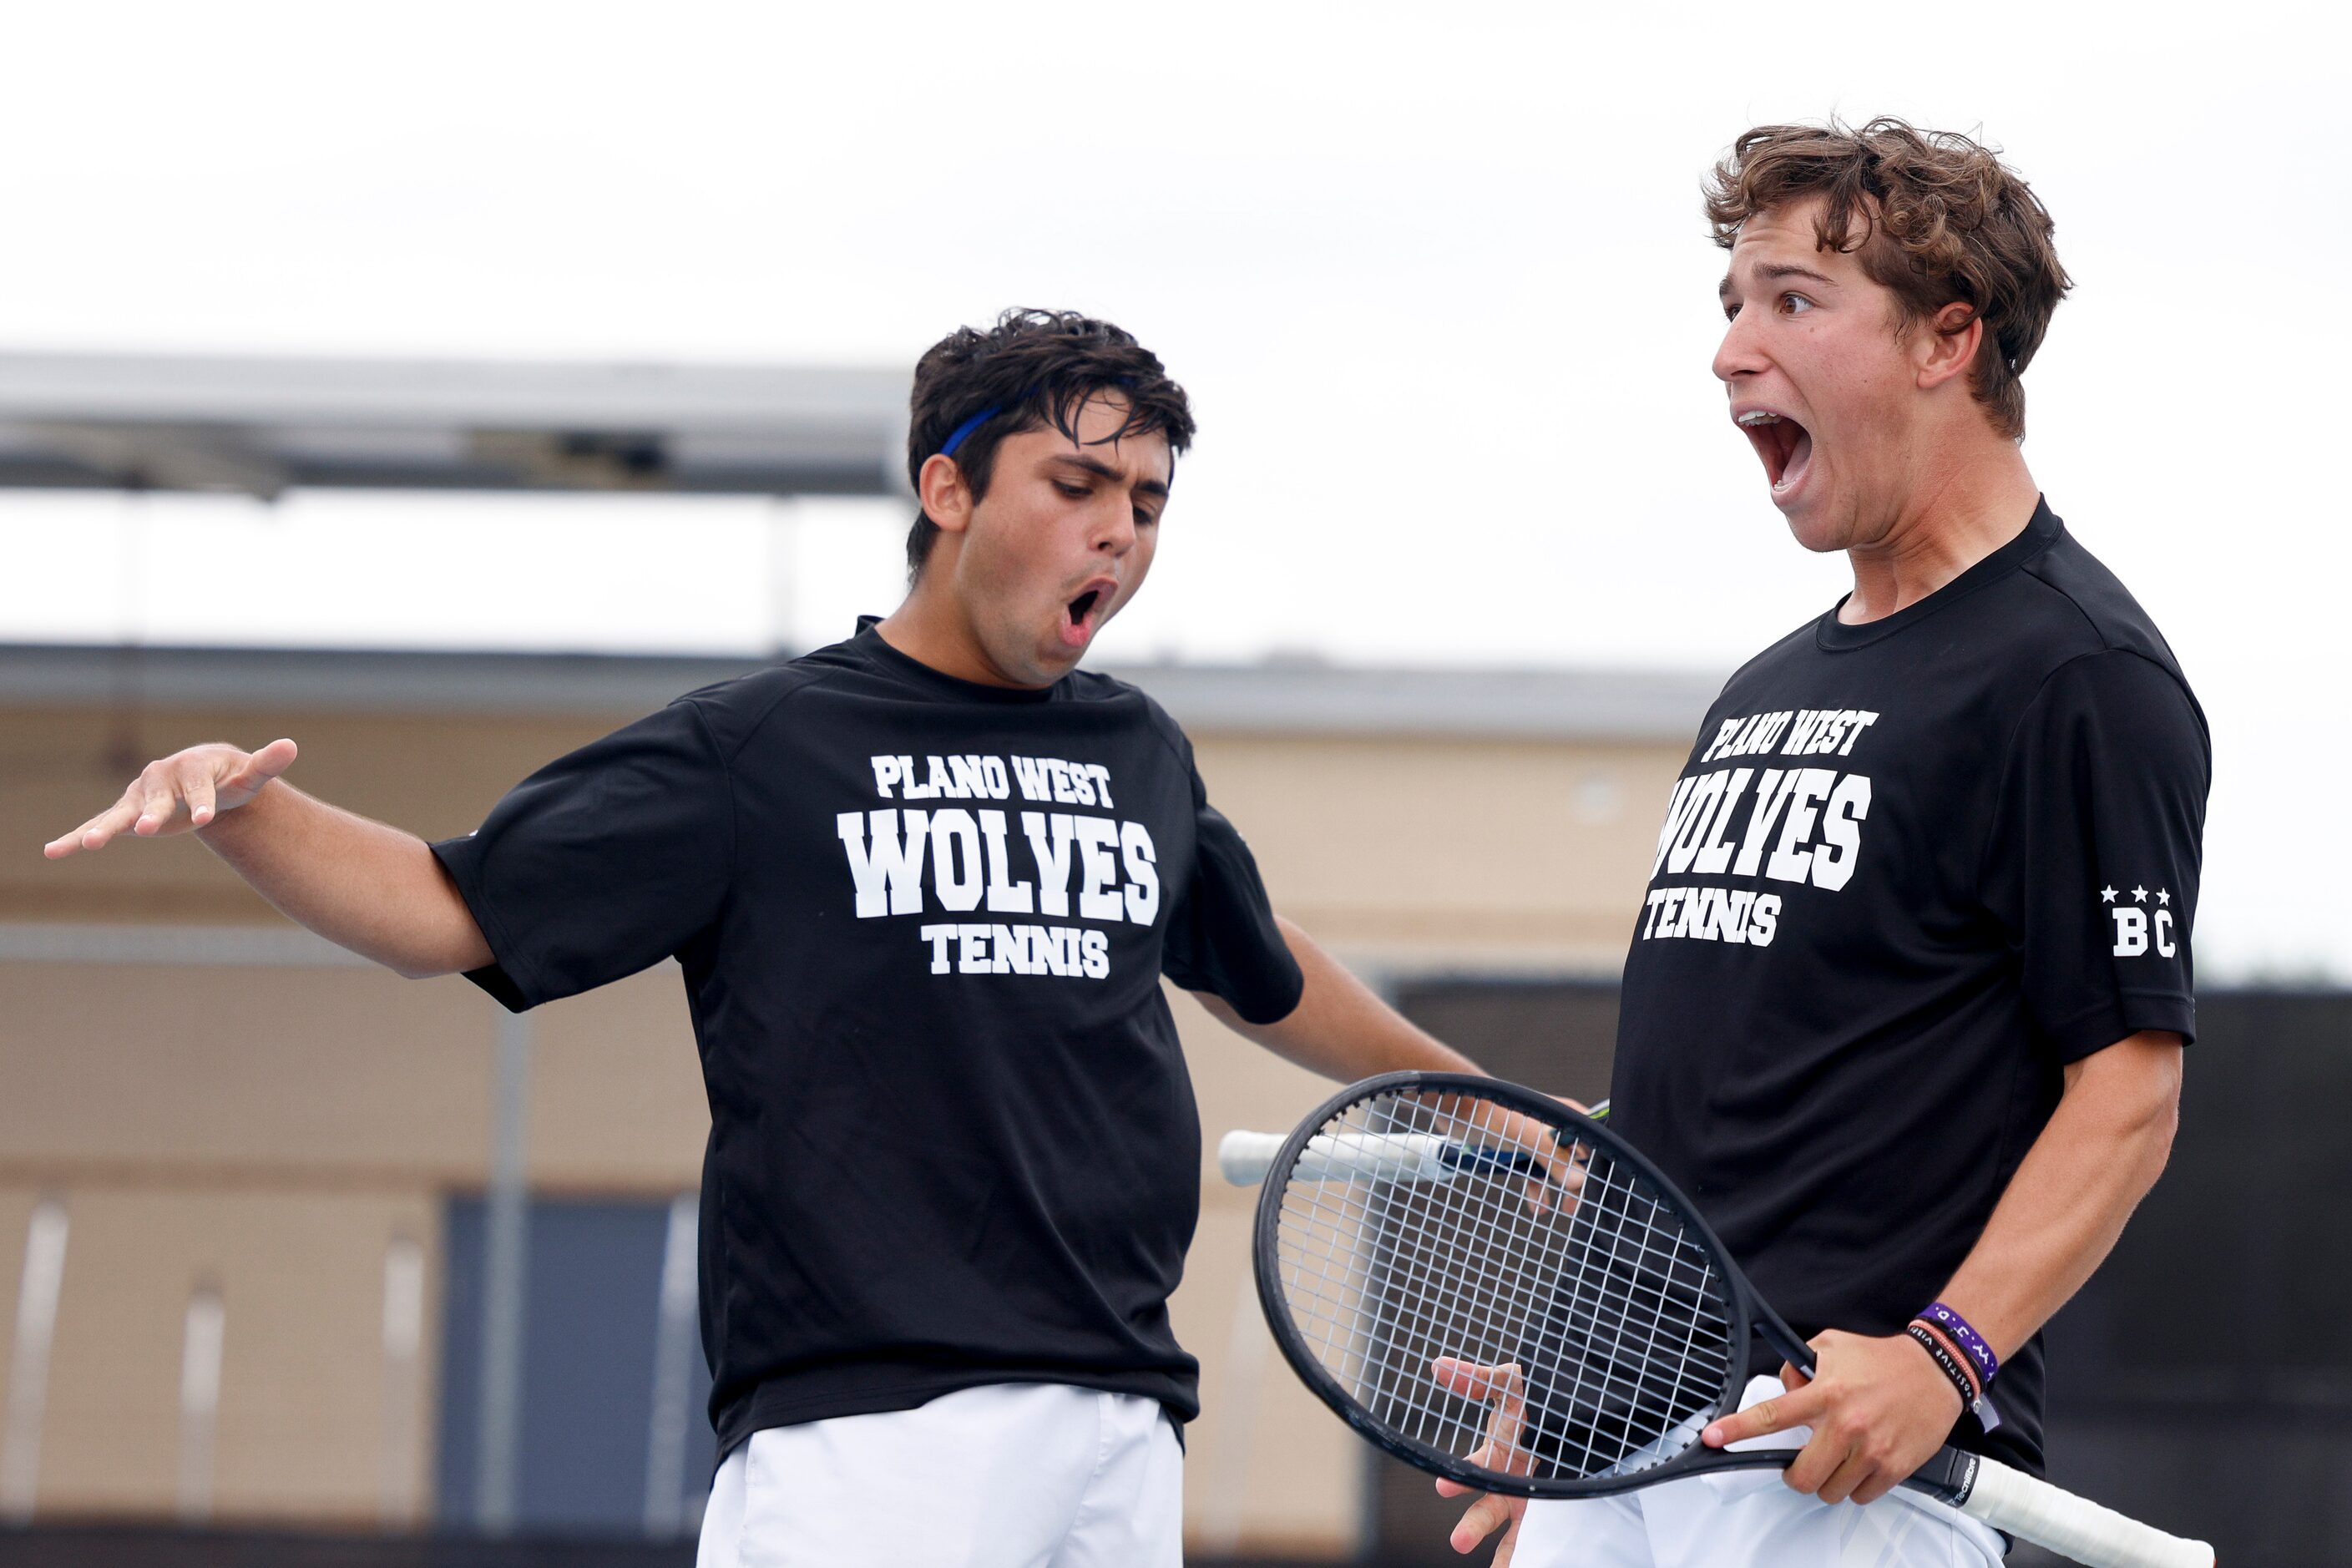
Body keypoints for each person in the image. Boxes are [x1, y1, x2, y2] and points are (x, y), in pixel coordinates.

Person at [44, 310, 1504, 1568]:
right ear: (946, 486)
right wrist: (246, 810)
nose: (1118, 529)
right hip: (867, 1437)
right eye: (1075, 483)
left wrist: (1487, 1099)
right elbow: (448, 907)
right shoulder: (761, 749)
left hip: (1123, 1418)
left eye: (1145, 498)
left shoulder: (1140, 749)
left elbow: (1258, 965)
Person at [1440, 120, 2209, 1566]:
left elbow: (2129, 1095)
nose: (1731, 351)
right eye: (1729, 304)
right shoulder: (1764, 688)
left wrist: (1941, 1355)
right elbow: (1700, 1105)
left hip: (1839, 1481)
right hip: (1609, 1460)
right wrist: (1570, 1367)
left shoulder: (2077, 677)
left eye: (1790, 299)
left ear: (1946, 340)